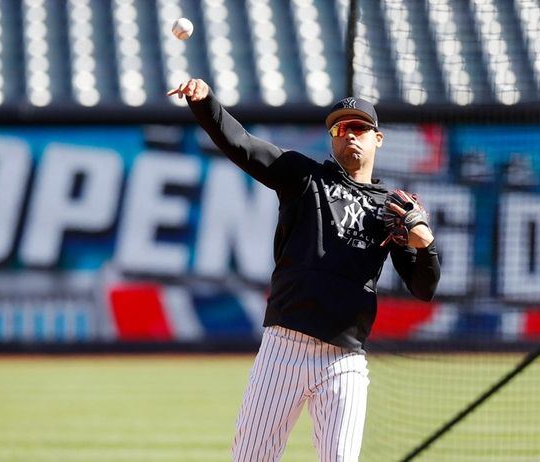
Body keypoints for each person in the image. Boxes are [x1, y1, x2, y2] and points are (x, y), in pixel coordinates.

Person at [168, 79, 440, 462]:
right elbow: (242, 145)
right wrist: (204, 103)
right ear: (332, 138)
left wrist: (426, 244)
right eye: (341, 128)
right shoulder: (304, 177)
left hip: (344, 361)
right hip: (284, 350)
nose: (350, 135)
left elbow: (423, 288)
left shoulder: (393, 209)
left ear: (377, 139)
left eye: (359, 127)